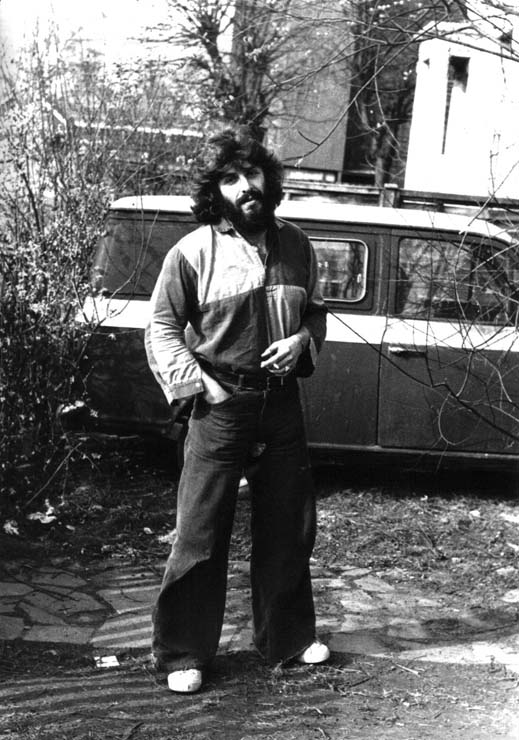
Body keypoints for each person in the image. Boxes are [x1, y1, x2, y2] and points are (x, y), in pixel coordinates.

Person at [145, 126, 329, 694]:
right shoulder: (193, 250)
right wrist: (198, 384)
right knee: (200, 531)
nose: (245, 186)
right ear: (216, 191)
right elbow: (162, 327)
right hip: (219, 407)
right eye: (230, 179)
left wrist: (302, 342)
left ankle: (288, 640)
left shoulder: (298, 245)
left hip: (281, 406)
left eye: (252, 174)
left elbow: (315, 312)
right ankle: (182, 654)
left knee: (288, 526)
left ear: (268, 179)